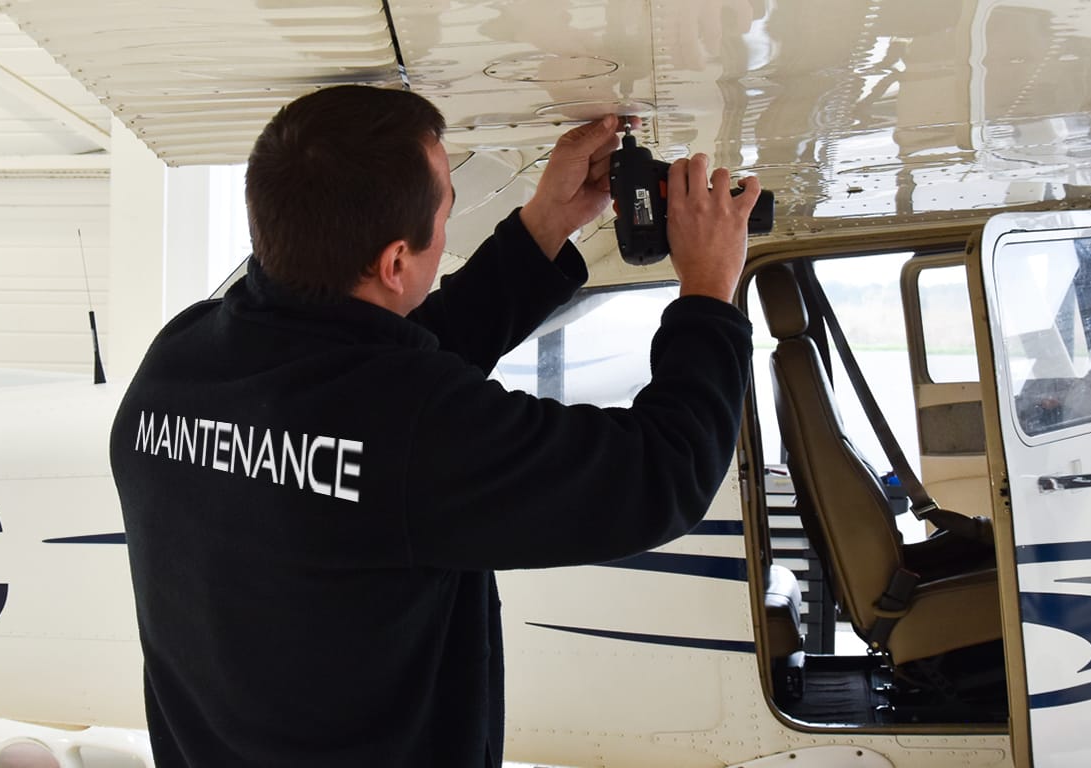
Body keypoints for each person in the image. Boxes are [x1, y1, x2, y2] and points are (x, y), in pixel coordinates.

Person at [108, 84, 761, 767]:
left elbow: (376, 374)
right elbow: (664, 473)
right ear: (394, 263)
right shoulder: (405, 428)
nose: (450, 219)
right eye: (449, 205)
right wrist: (709, 292)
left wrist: (544, 225)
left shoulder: (179, 359)